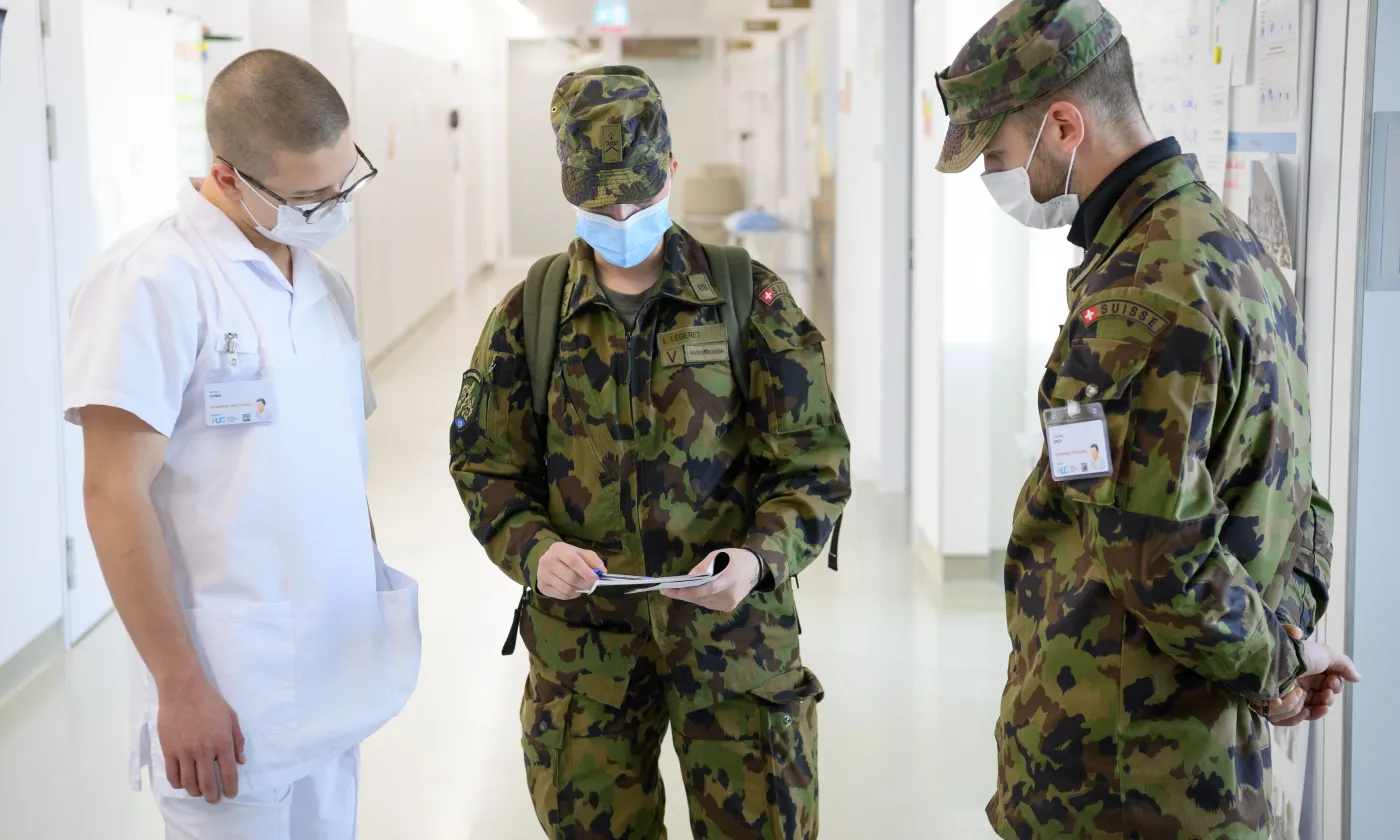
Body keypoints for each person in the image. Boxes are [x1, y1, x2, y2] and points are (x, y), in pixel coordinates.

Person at [933, 2, 1361, 838]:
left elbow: (1155, 556)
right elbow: (1300, 491)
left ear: (1063, 126)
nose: (996, 179)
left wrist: (1277, 661)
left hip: (1121, 768)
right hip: (1196, 755)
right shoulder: (1230, 246)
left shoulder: (1138, 297)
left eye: (998, 156)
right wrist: (1288, 636)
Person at [449, 65, 850, 839]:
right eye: (603, 202)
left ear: (671, 170)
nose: (625, 214)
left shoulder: (746, 298)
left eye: (639, 193)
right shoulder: (528, 316)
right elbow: (486, 468)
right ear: (570, 188)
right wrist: (534, 551)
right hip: (586, 664)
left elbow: (814, 462)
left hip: (735, 654)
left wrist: (760, 558)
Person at [63, 49, 420, 839]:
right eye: (307, 196)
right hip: (227, 699)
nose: (329, 209)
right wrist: (179, 684)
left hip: (335, 681)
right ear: (227, 176)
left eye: (342, 184)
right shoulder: (150, 281)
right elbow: (111, 493)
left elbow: (334, 465)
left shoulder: (323, 287)